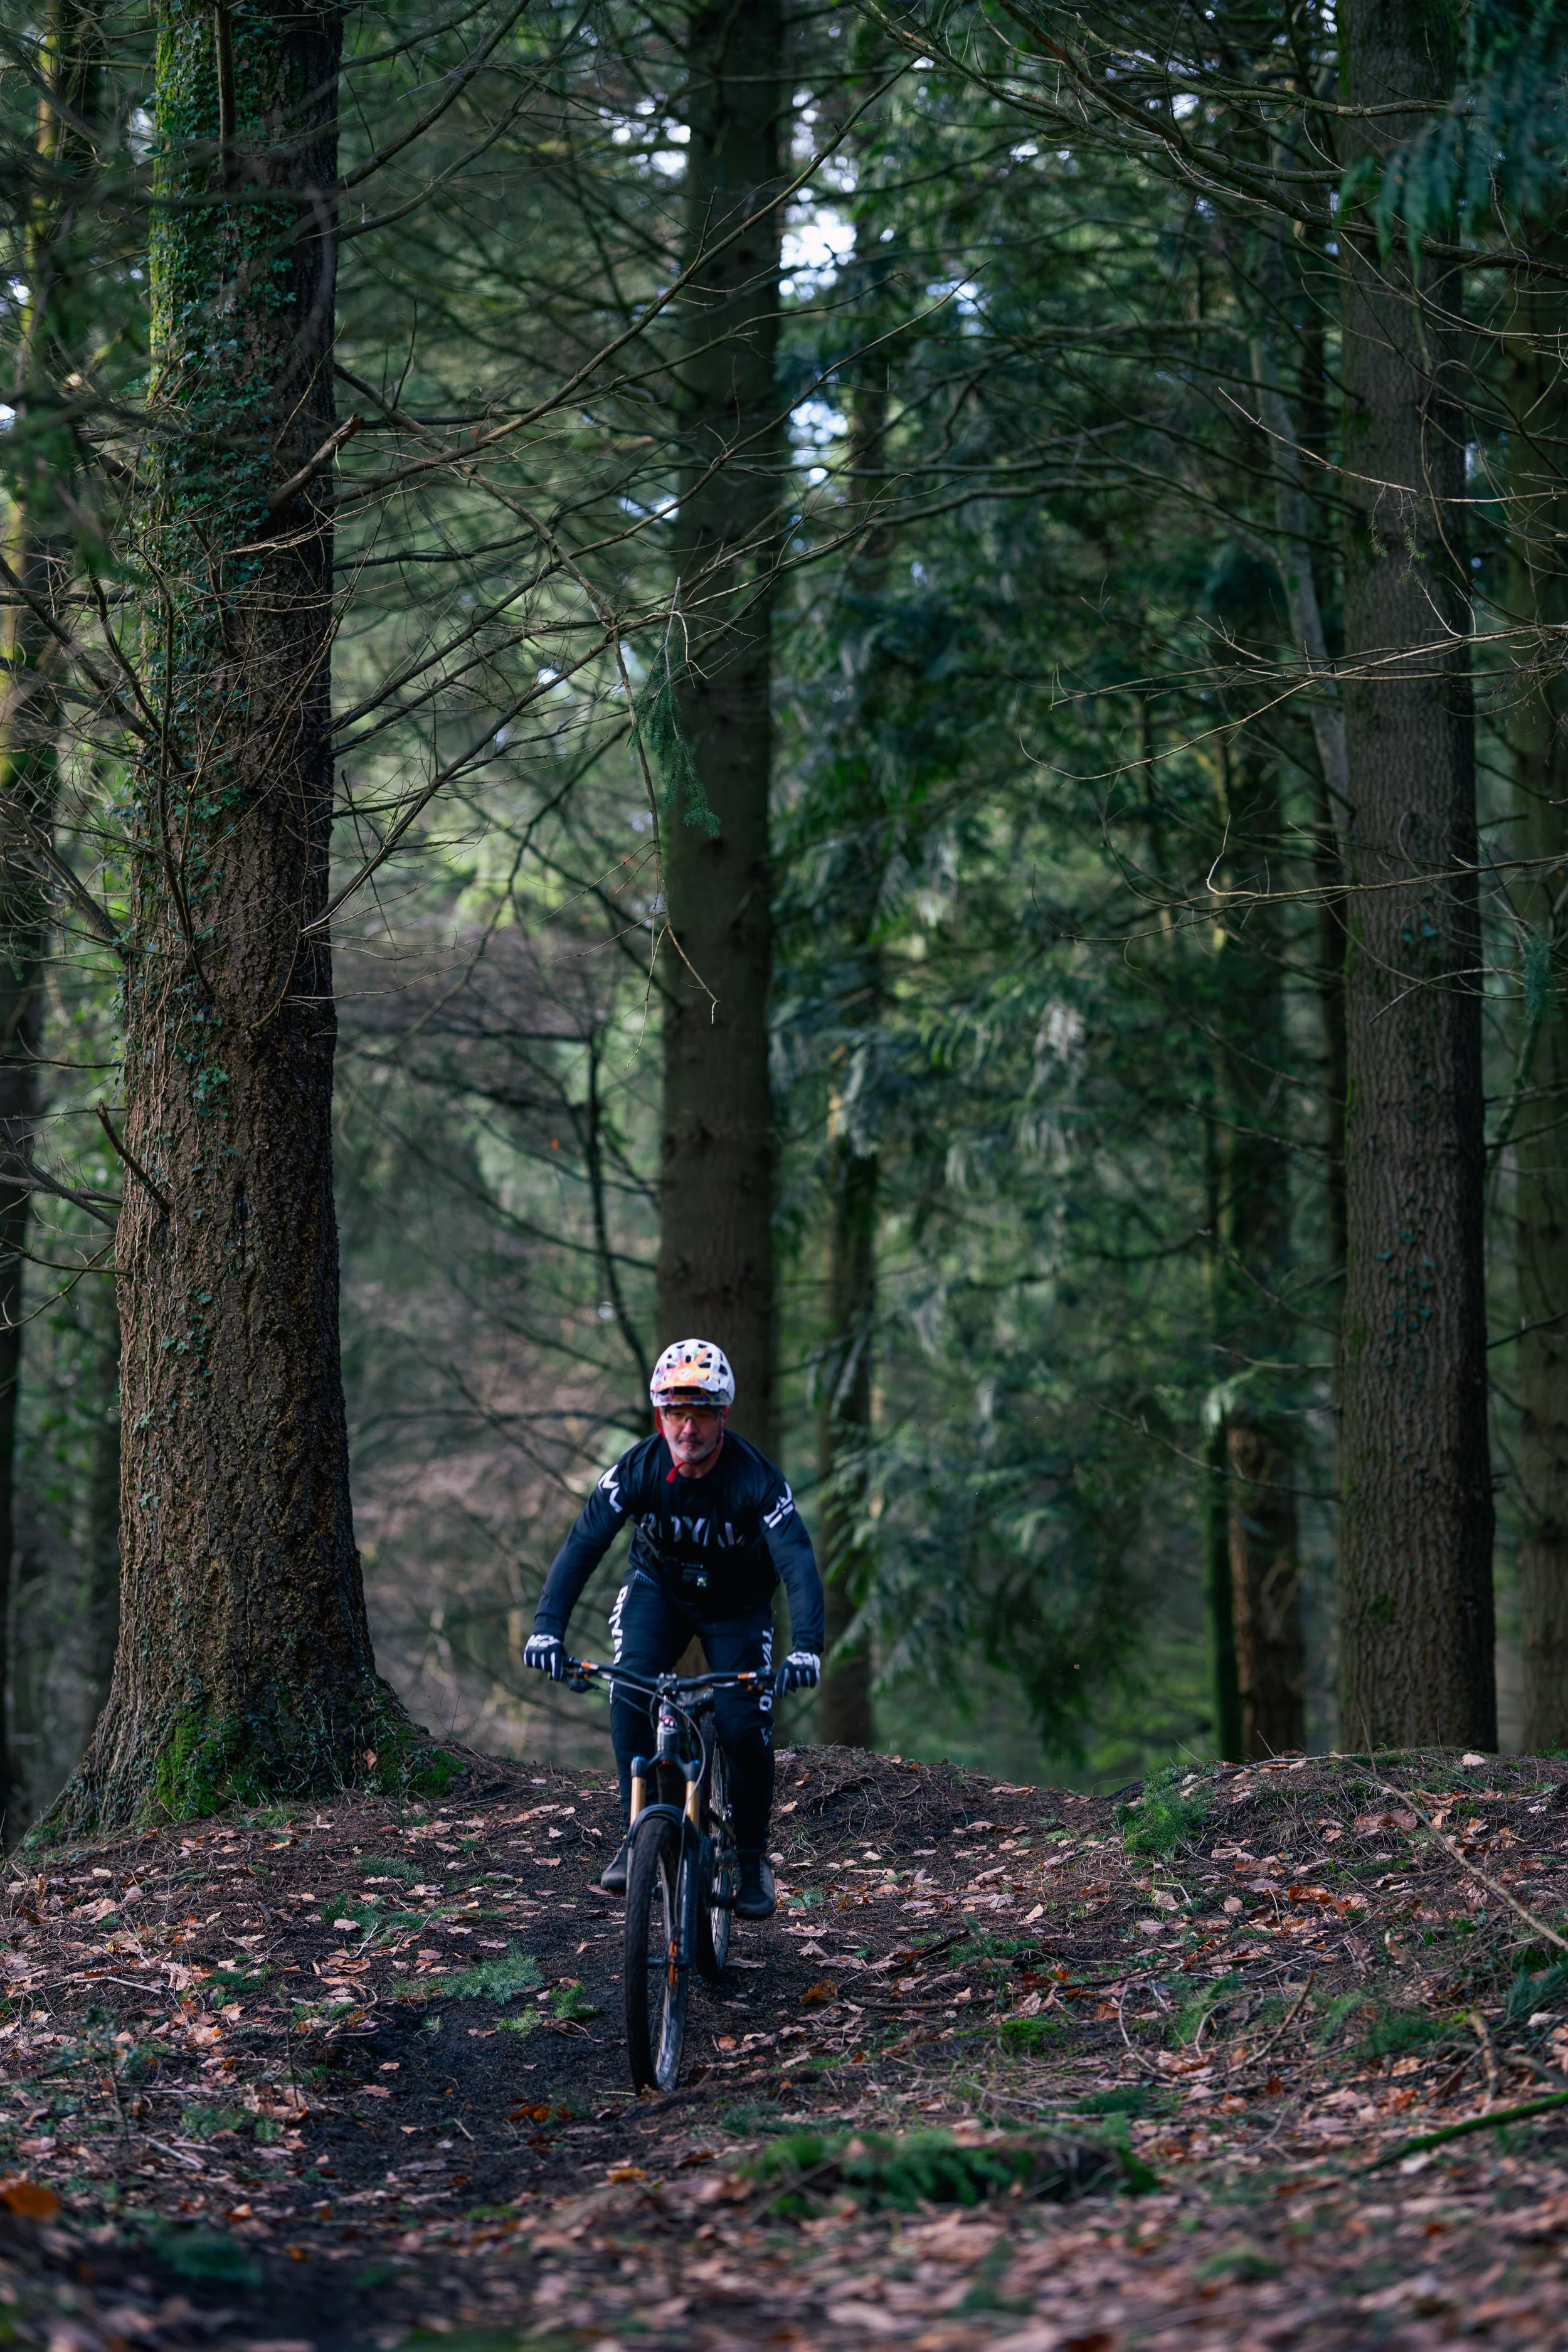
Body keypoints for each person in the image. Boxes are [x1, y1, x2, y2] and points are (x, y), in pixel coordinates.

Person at [524, 1338, 824, 1921]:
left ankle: (754, 1857)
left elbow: (797, 1562)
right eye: (676, 1413)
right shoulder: (637, 1469)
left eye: (702, 1413)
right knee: (630, 1690)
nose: (688, 1428)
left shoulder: (755, 1479)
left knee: (742, 1723)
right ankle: (636, 1833)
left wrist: (807, 1646)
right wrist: (546, 1630)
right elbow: (584, 1543)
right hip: (659, 1591)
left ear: (723, 1416)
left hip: (737, 1604)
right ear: (660, 1415)